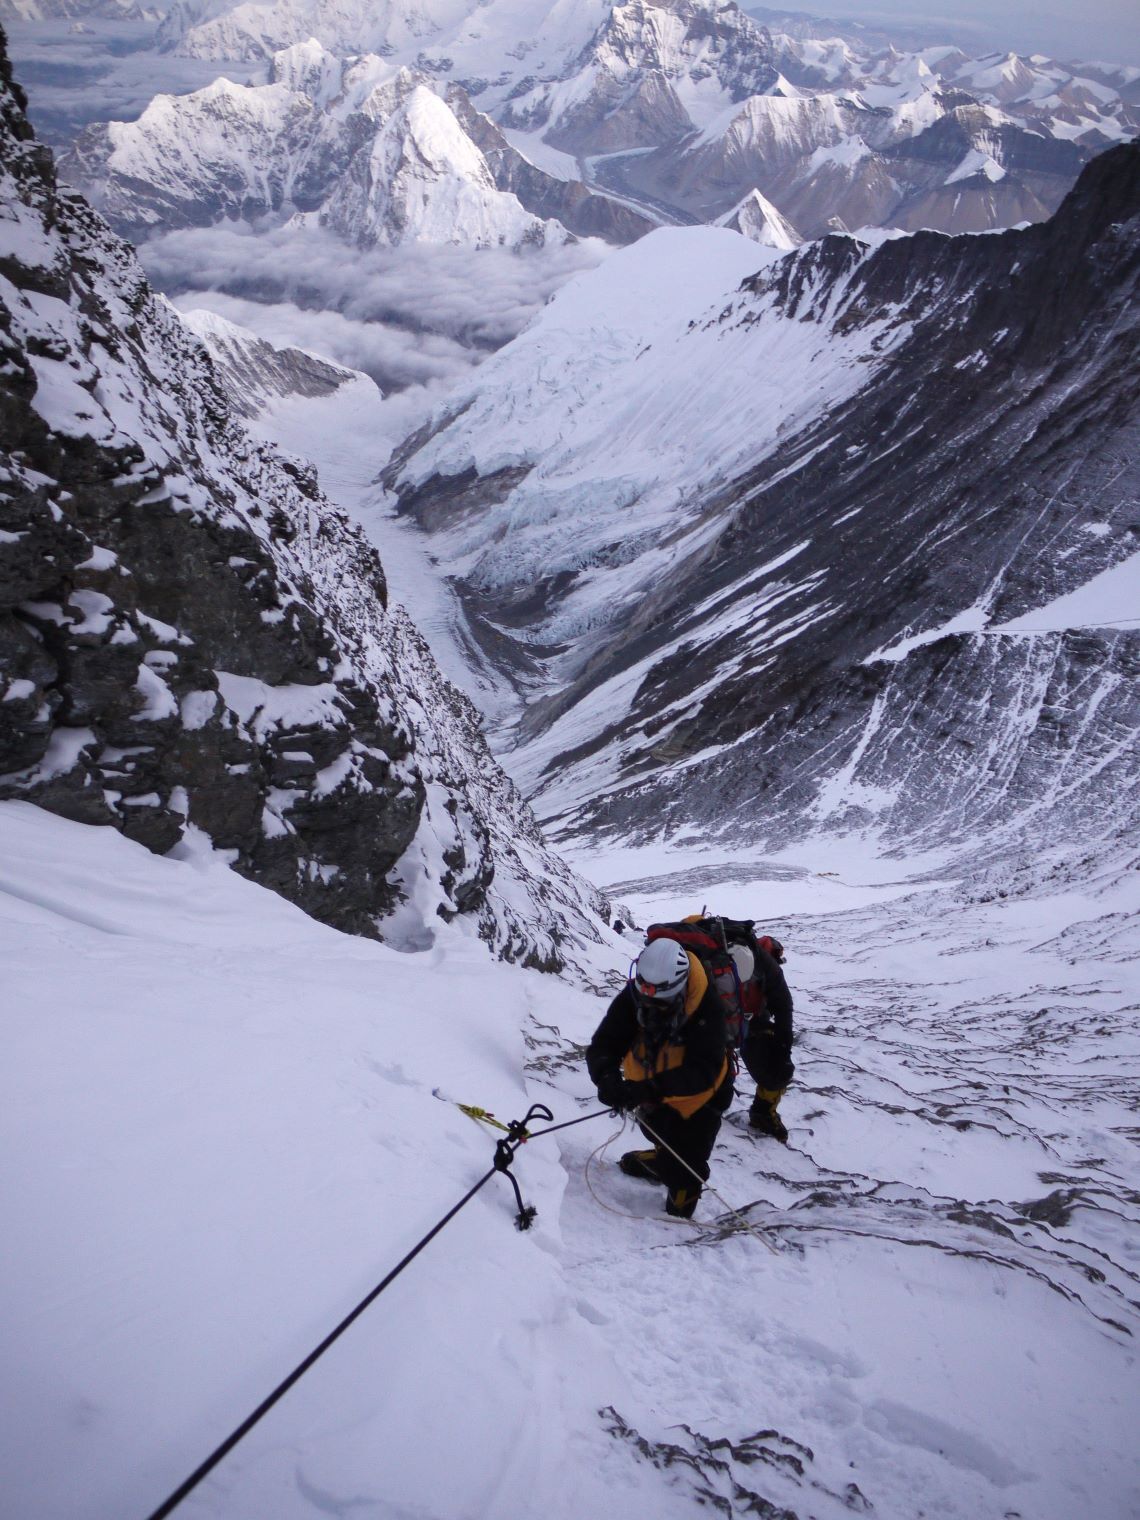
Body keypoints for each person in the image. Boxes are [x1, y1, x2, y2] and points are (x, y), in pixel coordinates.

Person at [586, 937, 733, 1219]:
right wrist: (605, 1077)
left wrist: (648, 1089)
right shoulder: (635, 994)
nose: (651, 1003)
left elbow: (704, 1072)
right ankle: (662, 1159)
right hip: (653, 1091)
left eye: (660, 999)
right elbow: (605, 1043)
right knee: (658, 1131)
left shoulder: (707, 1008)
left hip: (701, 1099)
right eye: (646, 996)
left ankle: (676, 1212)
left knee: (686, 1166)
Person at [731, 939, 795, 1142]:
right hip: (747, 1026)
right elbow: (784, 1009)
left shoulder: (732, 965)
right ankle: (763, 1114)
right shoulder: (767, 972)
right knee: (776, 1072)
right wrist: (783, 1051)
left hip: (725, 1023)